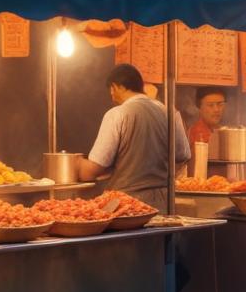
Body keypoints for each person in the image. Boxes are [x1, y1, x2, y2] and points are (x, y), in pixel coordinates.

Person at [78, 63, 191, 210]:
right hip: (164, 204)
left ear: (118, 86)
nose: (111, 95)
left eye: (111, 90)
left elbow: (92, 170)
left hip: (127, 206)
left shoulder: (118, 114)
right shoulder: (170, 113)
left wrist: (78, 163)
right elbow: (183, 155)